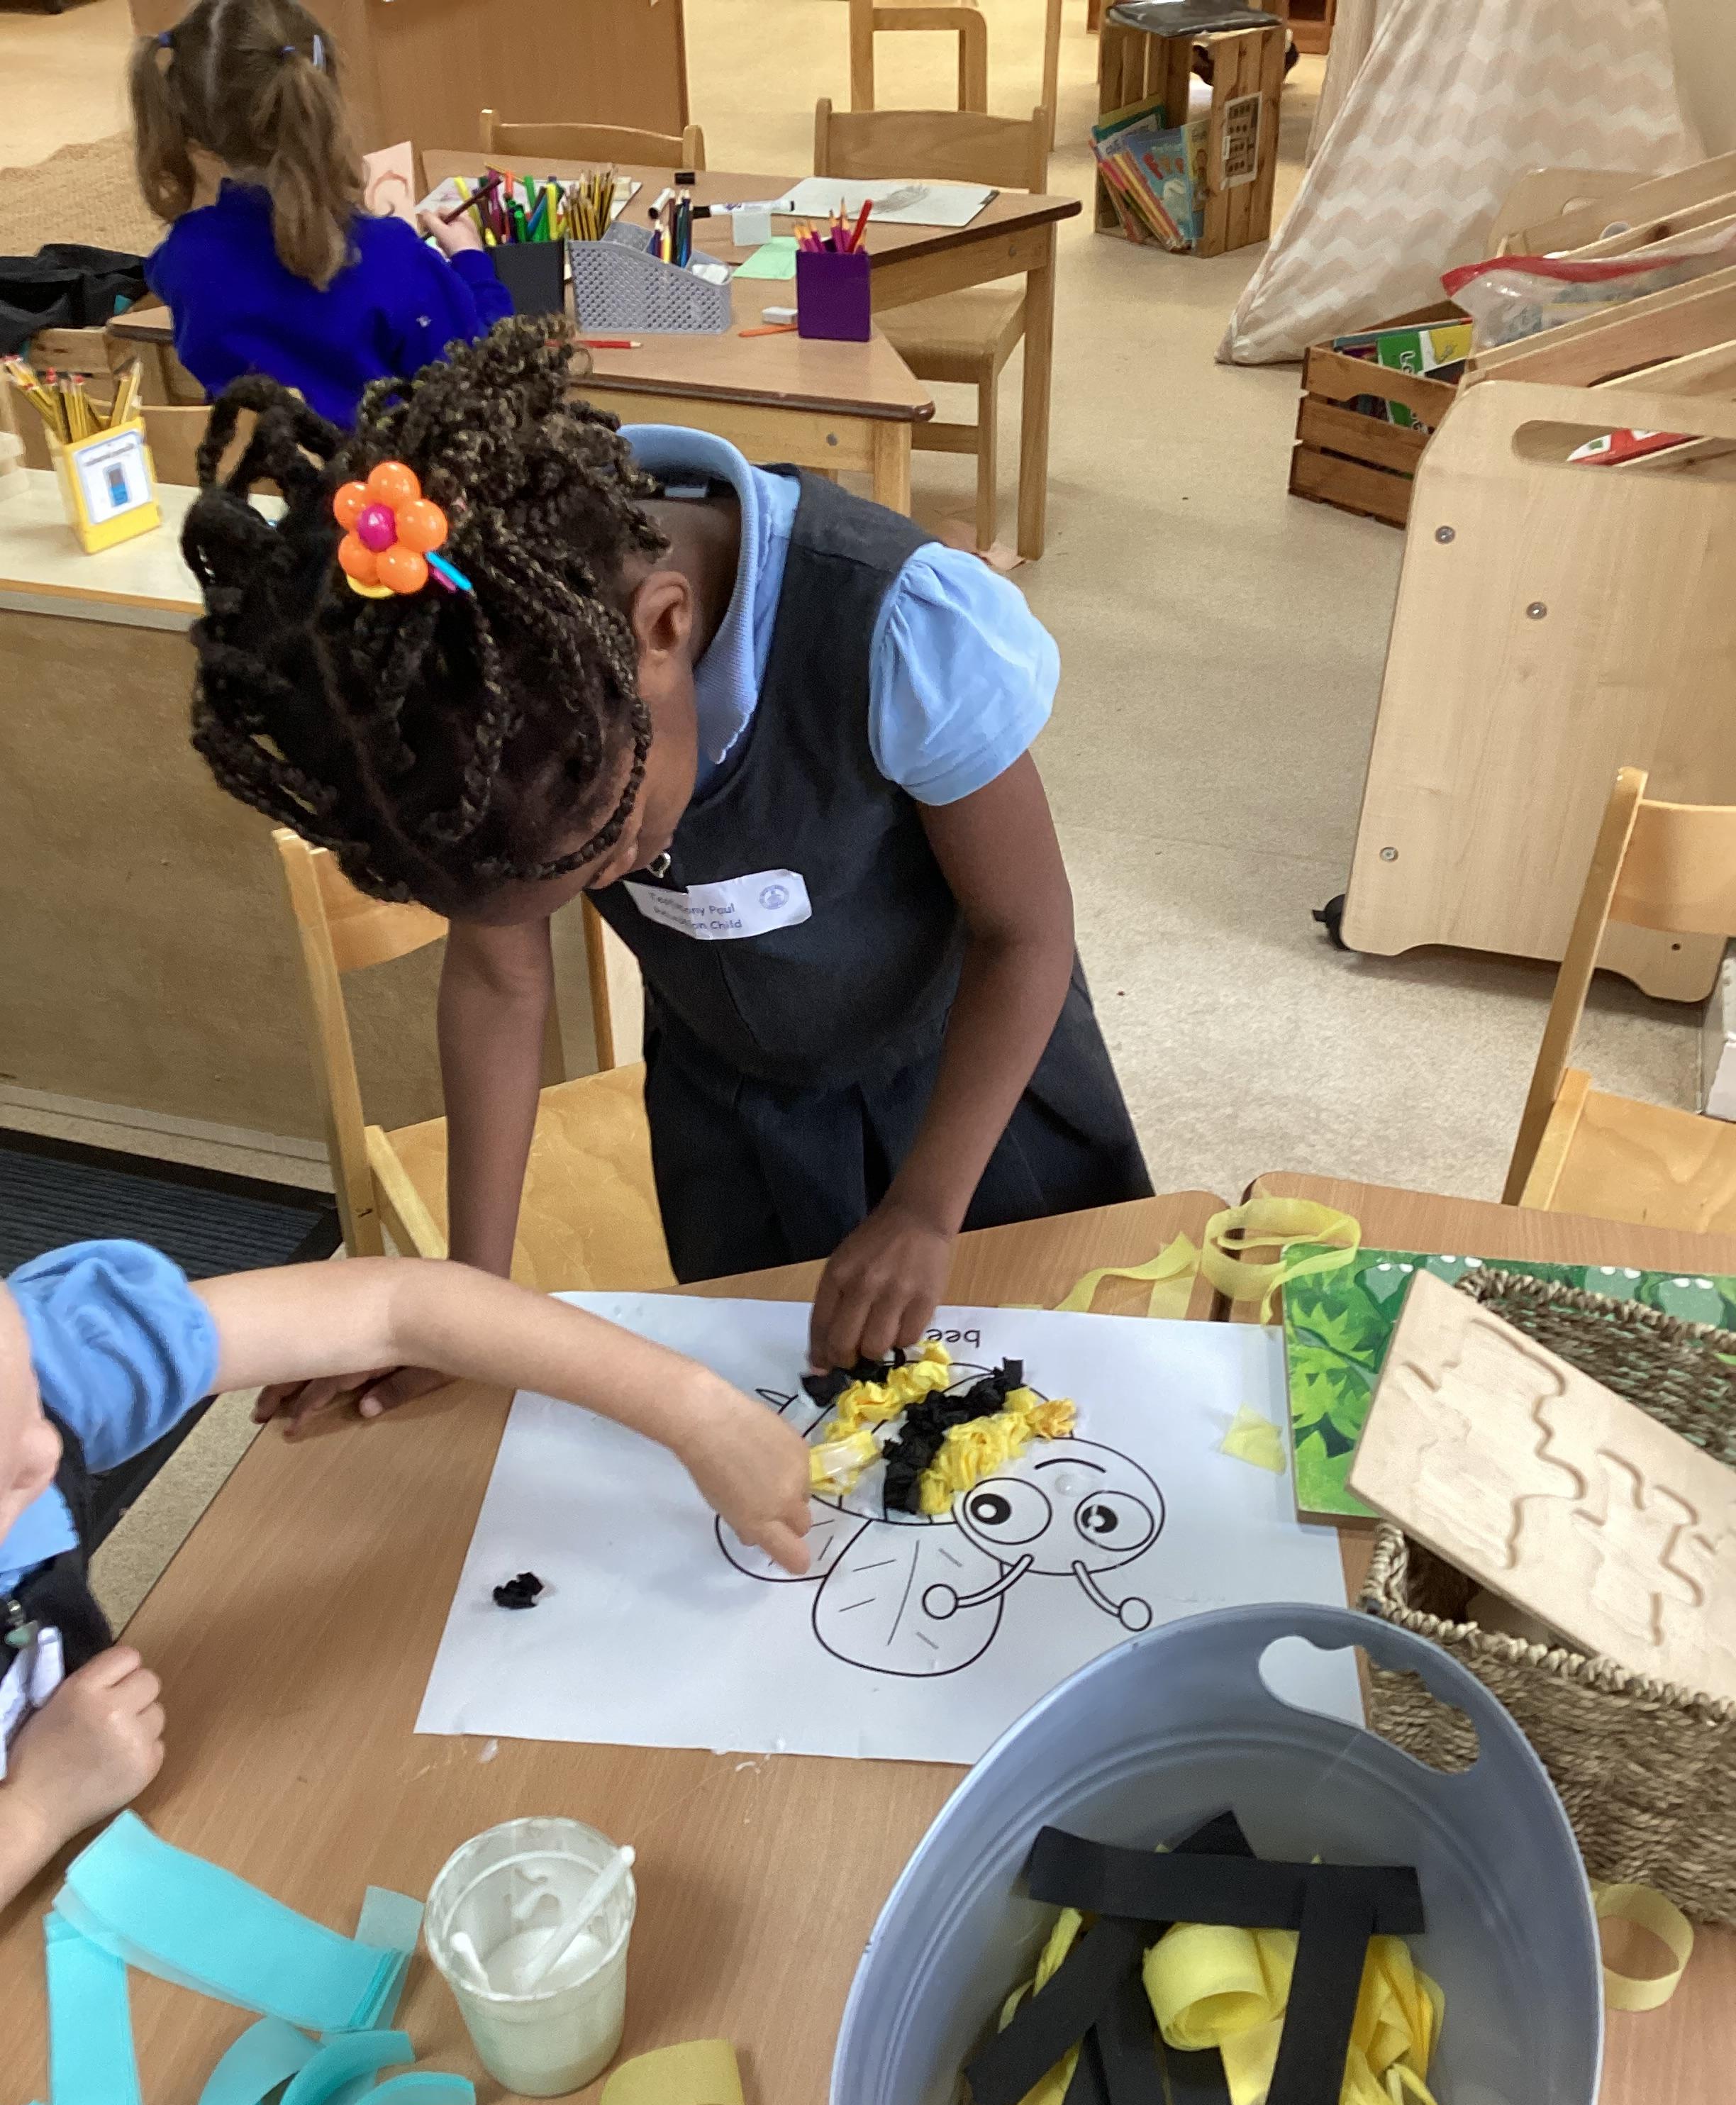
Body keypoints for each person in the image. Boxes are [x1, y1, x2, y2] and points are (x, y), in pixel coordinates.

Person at [180, 318, 1152, 1399]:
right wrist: (465, 1304)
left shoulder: (898, 624)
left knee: (1057, 1403)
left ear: (666, 628)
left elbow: (1025, 933)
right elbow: (500, 977)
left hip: (970, 1095)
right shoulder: (486, 704)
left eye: (612, 840)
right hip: (734, 1115)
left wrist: (926, 1208)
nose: (615, 880)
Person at [0, 1240, 810, 1909]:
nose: (48, 1447)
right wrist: (34, 1810)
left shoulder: (45, 1365)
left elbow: (396, 1305)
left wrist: (692, 1409)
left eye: (31, 1400)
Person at [129, 0, 511, 428]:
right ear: (324, 100)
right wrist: (473, 263)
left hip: (255, 469)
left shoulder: (182, 259)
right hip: (387, 470)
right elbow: (484, 377)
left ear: (194, 128)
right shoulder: (390, 257)